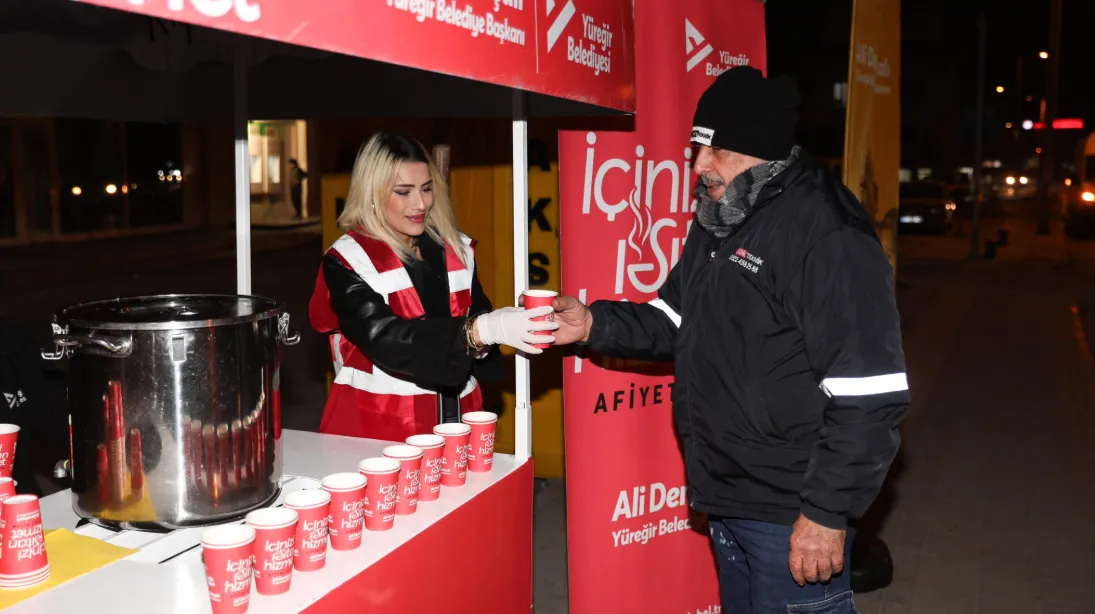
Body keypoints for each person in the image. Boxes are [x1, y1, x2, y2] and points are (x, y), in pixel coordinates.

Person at [550, 67, 909, 613]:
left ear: (757, 148)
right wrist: (592, 324)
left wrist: (825, 514)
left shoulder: (826, 232)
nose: (698, 166)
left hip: (792, 510)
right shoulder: (722, 215)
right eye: (696, 148)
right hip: (729, 493)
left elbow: (871, 395)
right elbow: (675, 316)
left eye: (712, 151)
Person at [308, 132, 556, 441]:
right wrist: (478, 332)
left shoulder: (456, 247)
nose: (421, 203)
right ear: (371, 193)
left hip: (457, 420)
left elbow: (478, 315)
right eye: (403, 192)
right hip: (378, 430)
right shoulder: (348, 260)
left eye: (426, 188)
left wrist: (505, 328)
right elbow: (385, 338)